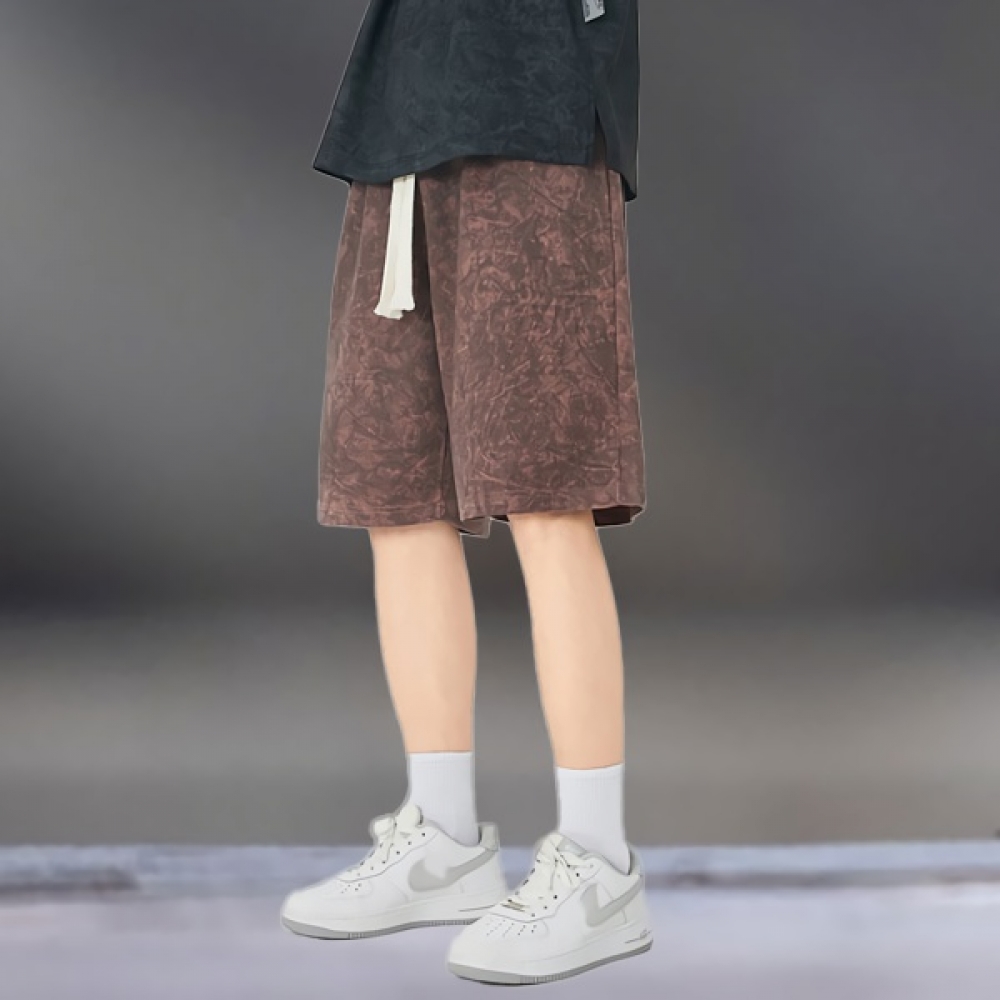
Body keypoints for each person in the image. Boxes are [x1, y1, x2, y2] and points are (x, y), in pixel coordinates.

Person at [280, 0, 651, 985]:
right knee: (396, 491)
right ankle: (442, 839)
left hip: (534, 109)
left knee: (547, 491)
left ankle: (599, 864)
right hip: (400, 121)